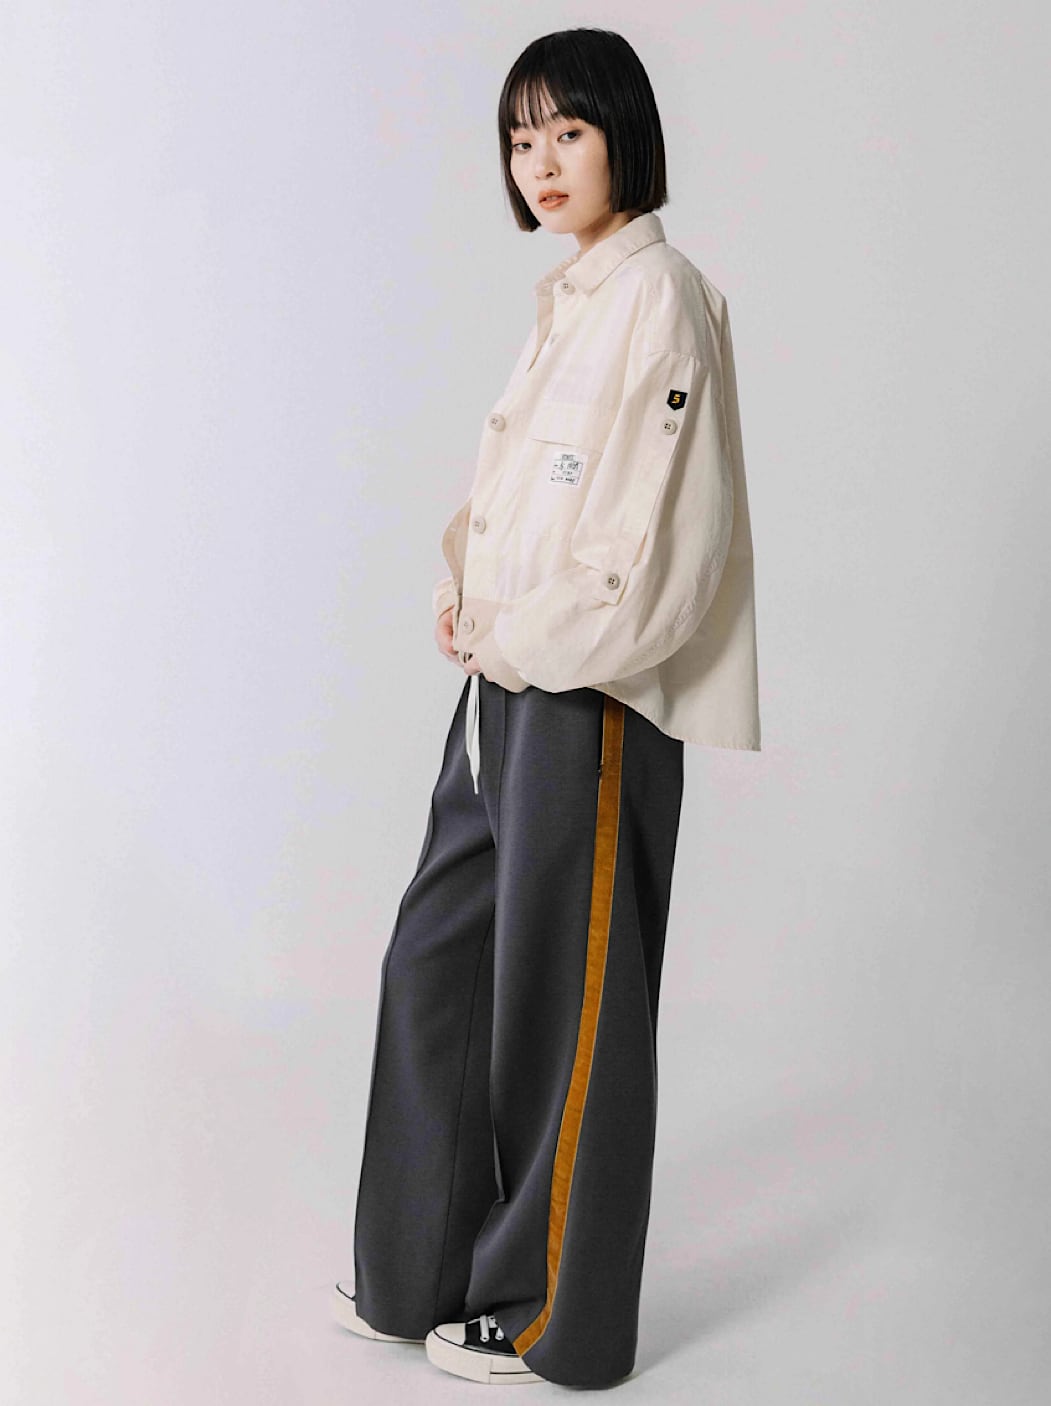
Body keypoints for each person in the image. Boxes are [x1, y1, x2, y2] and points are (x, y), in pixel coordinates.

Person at [331, 26, 760, 1390]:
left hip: (589, 699)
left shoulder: (662, 298)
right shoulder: (570, 300)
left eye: (567, 130)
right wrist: (464, 592)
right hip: (503, 685)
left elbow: (658, 552)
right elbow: (516, 505)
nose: (541, 161)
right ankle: (420, 1270)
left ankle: (553, 1320)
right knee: (438, 958)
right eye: (522, 139)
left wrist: (518, 633)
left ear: (624, 133)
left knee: (564, 1007)